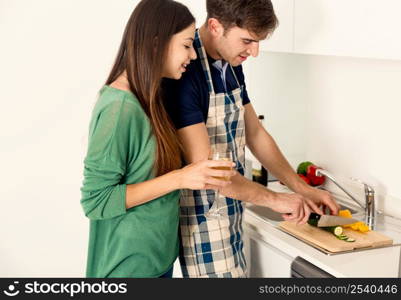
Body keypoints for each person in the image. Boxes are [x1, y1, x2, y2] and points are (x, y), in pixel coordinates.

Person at [164, 0, 340, 278]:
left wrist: (301, 187)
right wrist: (275, 200)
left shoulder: (230, 62)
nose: (254, 52)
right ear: (215, 26)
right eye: (247, 40)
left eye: (258, 42)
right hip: (204, 216)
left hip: (234, 204)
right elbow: (208, 170)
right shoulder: (187, 72)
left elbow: (255, 133)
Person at [80, 0, 237, 278]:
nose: (191, 55)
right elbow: (96, 201)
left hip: (156, 263)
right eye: (186, 45)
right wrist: (180, 178)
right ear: (156, 43)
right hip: (128, 270)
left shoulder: (151, 99)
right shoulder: (119, 109)